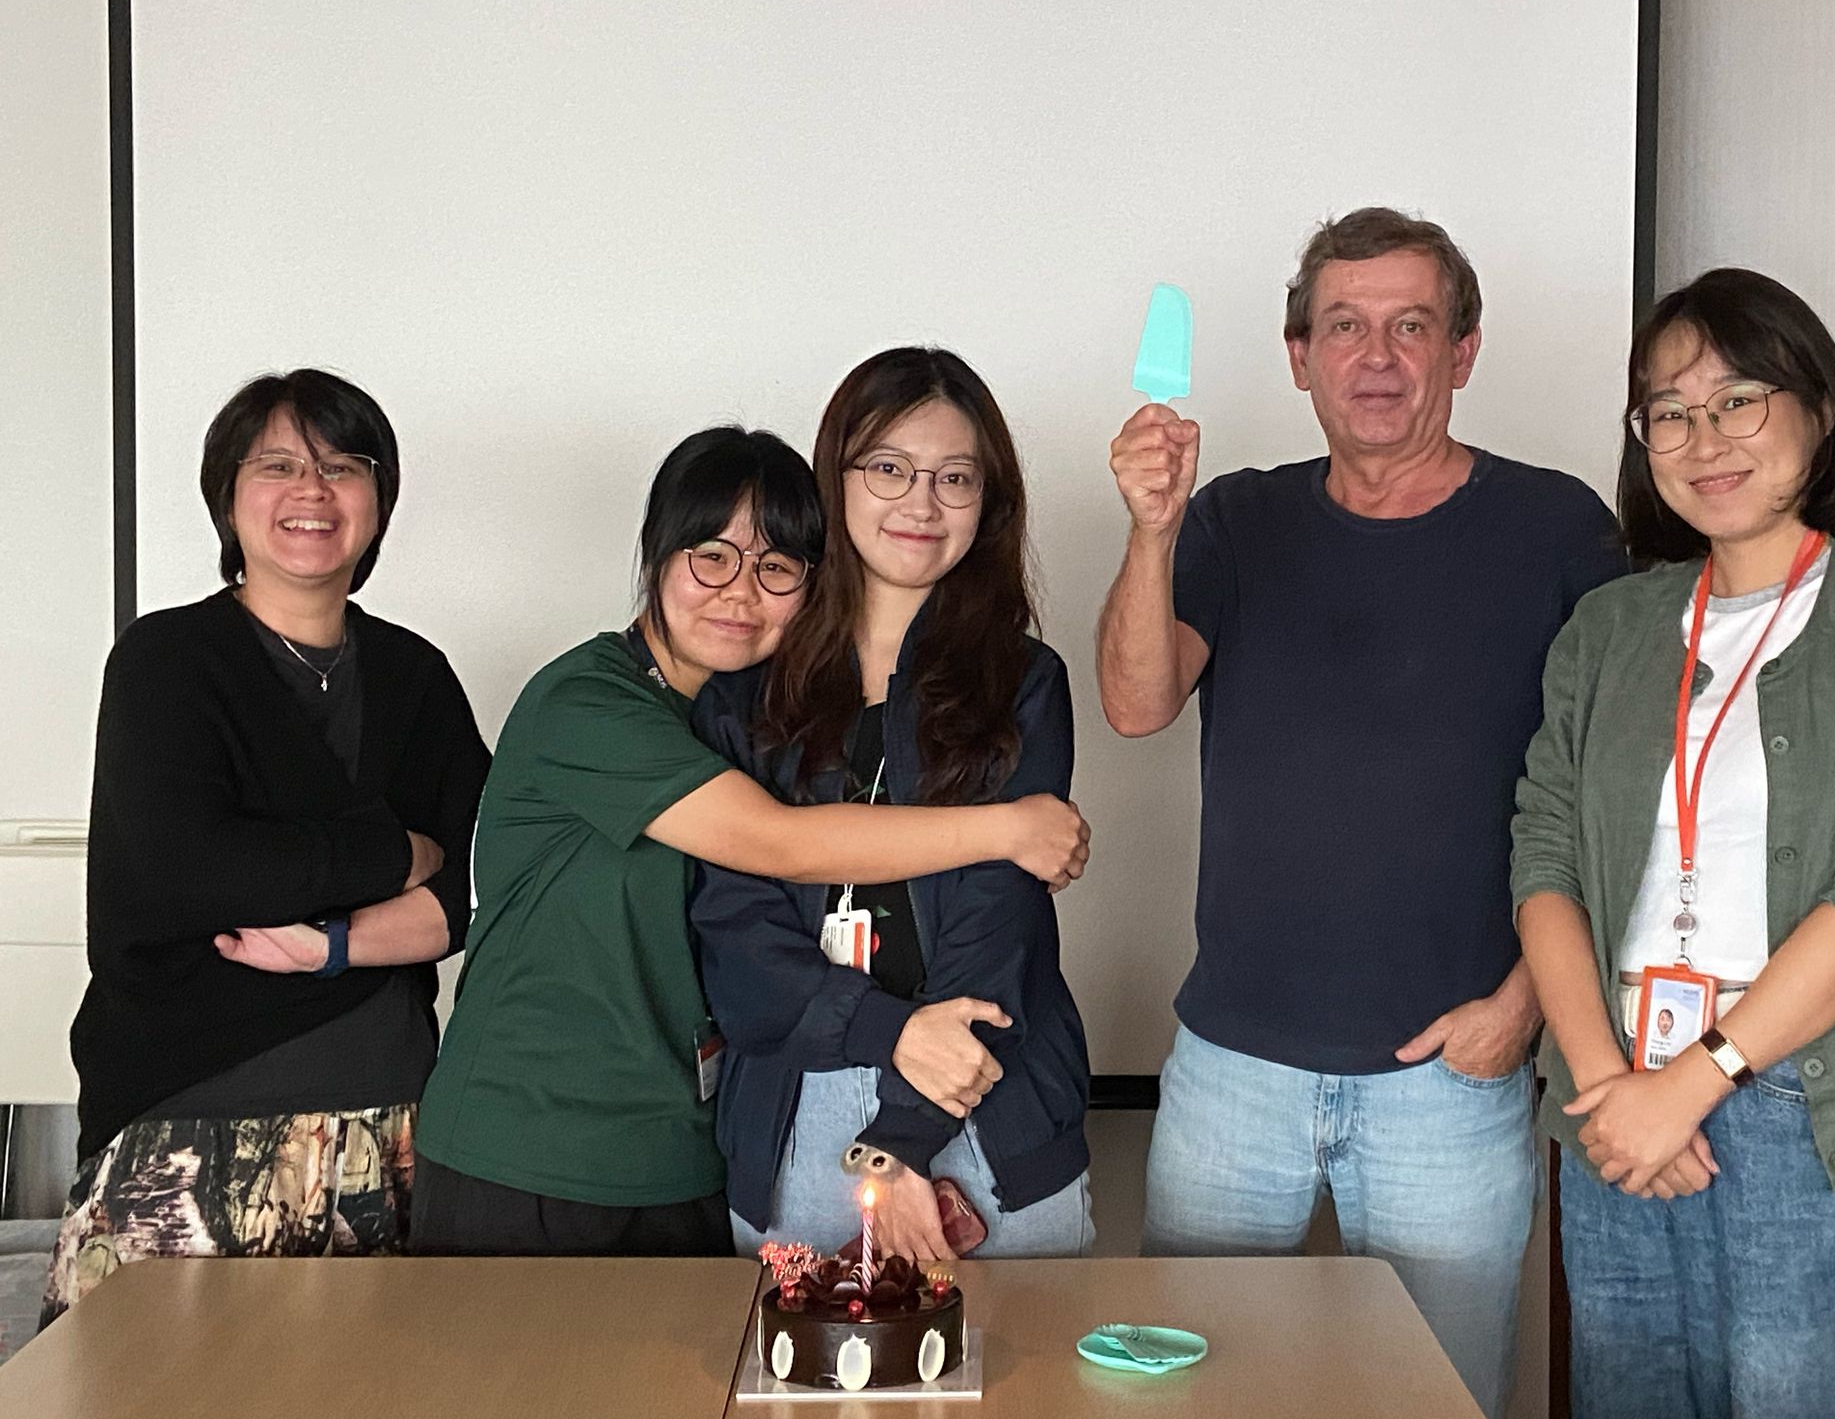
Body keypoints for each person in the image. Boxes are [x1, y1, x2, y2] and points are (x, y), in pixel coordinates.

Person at [1096, 206, 1624, 1419]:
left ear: (1462, 351)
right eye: (1342, 327)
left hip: (1452, 1074)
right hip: (1231, 1069)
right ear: (1299, 357)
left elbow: (1618, 793)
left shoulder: (1556, 529)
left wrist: (1522, 1007)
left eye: (1409, 327)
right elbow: (1133, 704)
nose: (1374, 358)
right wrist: (1152, 530)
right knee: (1190, 1417)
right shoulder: (1234, 518)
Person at [1512, 267, 1835, 1419]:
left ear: (1818, 411)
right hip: (1613, 1105)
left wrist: (1691, 1084)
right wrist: (1607, 1088)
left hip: (1798, 1098)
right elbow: (1541, 855)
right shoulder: (1608, 629)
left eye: (1737, 399)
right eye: (1669, 411)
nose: (1703, 439)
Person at [411, 424, 1088, 1256]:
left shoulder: (741, 719)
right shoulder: (588, 703)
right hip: (529, 1152)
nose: (740, 593)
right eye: (711, 557)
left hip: (686, 1157)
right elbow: (780, 845)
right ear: (657, 556)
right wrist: (1008, 825)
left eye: (776, 568)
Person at [43, 370, 490, 1321]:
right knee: (152, 1401)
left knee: (375, 1401)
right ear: (228, 497)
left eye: (342, 466)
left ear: (378, 500)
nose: (312, 490)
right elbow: (190, 872)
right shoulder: (167, 661)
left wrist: (331, 943)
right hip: (185, 1132)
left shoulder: (416, 675)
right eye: (278, 465)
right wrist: (395, 854)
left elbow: (486, 879)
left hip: (392, 1133)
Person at [696, 348, 1093, 1262]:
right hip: (795, 1112)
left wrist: (903, 1138)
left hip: (986, 1107)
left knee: (1017, 1364)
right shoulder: (744, 692)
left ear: (989, 502)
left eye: (956, 477)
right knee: (800, 1361)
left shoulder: (1023, 681)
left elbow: (1000, 919)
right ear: (834, 479)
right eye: (889, 468)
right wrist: (889, 1033)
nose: (922, 503)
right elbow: (736, 931)